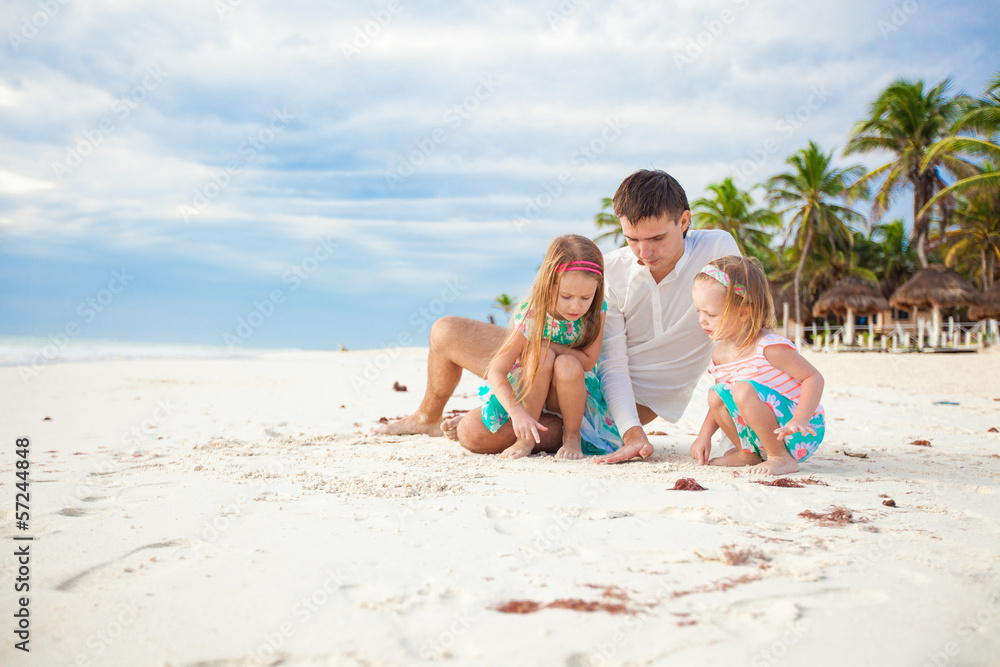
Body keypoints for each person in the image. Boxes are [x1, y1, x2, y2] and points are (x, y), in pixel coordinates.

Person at [376, 169, 740, 461]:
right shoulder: (609, 271)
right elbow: (607, 358)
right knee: (446, 330)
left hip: (612, 406)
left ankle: (545, 420)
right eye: (632, 239)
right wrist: (540, 354)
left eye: (656, 238)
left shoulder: (717, 250)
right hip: (560, 361)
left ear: (684, 221)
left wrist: (635, 431)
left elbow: (742, 335)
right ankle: (427, 417)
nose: (643, 252)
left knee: (473, 433)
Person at [474, 234, 621, 460]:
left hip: (569, 391)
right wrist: (516, 412)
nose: (576, 306)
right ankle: (525, 439)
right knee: (541, 355)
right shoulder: (534, 313)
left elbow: (589, 361)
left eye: (585, 297)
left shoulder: (597, 310)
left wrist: (550, 346)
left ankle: (572, 437)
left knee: (567, 363)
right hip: (531, 388)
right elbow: (496, 370)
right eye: (567, 296)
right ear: (550, 286)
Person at [688, 255, 825, 475]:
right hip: (763, 432)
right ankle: (748, 454)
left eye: (711, 314)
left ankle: (780, 457)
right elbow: (720, 401)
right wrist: (704, 436)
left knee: (742, 389)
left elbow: (813, 378)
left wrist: (800, 418)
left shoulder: (769, 346)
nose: (702, 320)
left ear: (744, 312)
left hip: (798, 430)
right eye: (698, 311)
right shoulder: (720, 354)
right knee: (716, 394)